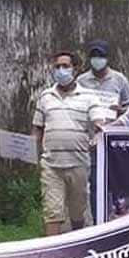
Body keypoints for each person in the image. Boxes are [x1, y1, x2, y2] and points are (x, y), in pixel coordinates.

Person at [33, 51, 104, 236]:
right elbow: (37, 128)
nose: (61, 70)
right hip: (51, 165)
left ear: (76, 69)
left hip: (79, 164)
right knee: (52, 212)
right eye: (57, 67)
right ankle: (53, 255)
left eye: (65, 66)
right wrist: (36, 153)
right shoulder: (45, 96)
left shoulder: (89, 97)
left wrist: (98, 136)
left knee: (77, 212)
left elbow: (99, 124)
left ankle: (75, 244)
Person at [76, 39, 129, 119]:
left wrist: (121, 110)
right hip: (88, 127)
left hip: (113, 128)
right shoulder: (81, 81)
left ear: (108, 58)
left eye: (101, 55)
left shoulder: (120, 79)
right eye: (94, 55)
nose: (97, 59)